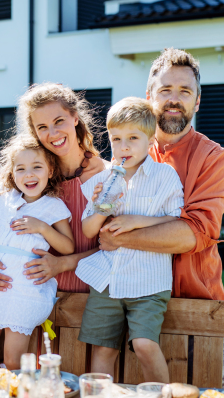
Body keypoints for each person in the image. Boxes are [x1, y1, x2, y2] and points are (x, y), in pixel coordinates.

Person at [98, 48, 224, 301]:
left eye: (185, 91)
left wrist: (120, 239)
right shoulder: (125, 153)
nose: (174, 99)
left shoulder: (214, 158)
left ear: (197, 100)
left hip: (195, 302)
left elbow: (193, 234)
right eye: (165, 90)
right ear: (149, 97)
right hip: (130, 296)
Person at [77, 97, 184, 382]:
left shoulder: (165, 176)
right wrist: (104, 205)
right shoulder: (106, 179)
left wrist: (137, 221)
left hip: (149, 281)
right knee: (103, 348)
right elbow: (89, 230)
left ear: (150, 141)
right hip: (108, 280)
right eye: (116, 138)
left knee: (144, 344)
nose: (124, 146)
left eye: (133, 138)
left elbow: (176, 219)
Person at [0, 83, 108, 295]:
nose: (53, 133)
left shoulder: (107, 177)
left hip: (94, 297)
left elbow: (116, 245)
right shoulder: (32, 179)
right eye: (42, 127)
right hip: (34, 295)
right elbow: (3, 223)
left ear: (75, 118)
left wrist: (63, 264)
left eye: (59, 121)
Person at [0, 135, 74, 370]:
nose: (29, 174)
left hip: (25, 290)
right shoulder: (4, 199)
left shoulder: (52, 205)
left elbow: (68, 247)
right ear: (12, 174)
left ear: (50, 170)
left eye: (37, 167)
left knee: (13, 361)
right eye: (21, 169)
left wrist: (42, 227)